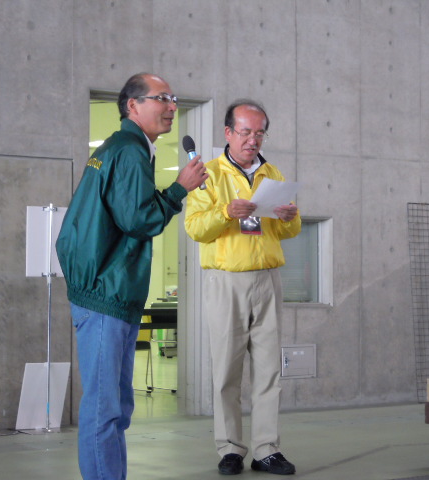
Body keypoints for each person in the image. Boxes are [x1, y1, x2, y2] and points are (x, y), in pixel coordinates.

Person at [56, 72, 208, 480]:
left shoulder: (126, 148)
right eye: (162, 98)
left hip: (112, 293)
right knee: (105, 409)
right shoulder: (128, 150)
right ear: (132, 105)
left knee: (116, 408)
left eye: (173, 98)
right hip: (106, 294)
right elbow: (138, 219)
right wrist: (178, 190)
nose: (172, 107)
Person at [184, 100, 301, 476]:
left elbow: (288, 231)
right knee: (227, 370)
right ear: (228, 133)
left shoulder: (272, 173)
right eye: (246, 132)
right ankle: (230, 448)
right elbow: (195, 228)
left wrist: (290, 217)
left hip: (267, 280)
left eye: (260, 132)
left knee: (269, 371)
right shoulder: (209, 174)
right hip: (226, 282)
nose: (253, 139)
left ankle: (267, 450)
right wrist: (225, 213)